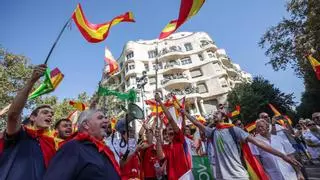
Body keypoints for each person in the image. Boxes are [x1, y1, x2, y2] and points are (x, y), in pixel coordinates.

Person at [184, 109, 301, 180]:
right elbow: (196, 123)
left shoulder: (234, 130)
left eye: (217, 113)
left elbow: (258, 143)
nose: (214, 115)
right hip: (221, 176)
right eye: (214, 114)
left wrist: (282, 155)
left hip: (238, 175)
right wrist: (185, 113)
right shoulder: (212, 132)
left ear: (224, 117)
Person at [0, 64, 58, 180]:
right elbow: (13, 115)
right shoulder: (20, 133)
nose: (50, 116)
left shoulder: (51, 144)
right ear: (32, 117)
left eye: (51, 114)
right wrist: (32, 81)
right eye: (45, 112)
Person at [44, 109, 121, 180]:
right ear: (86, 125)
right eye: (100, 118)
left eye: (105, 118)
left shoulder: (104, 150)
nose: (106, 120)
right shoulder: (72, 147)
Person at [154, 93, 192, 180]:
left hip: (185, 177)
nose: (171, 128)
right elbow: (161, 156)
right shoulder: (165, 147)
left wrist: (160, 101)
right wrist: (158, 140)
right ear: (166, 132)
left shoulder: (179, 139)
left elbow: (170, 119)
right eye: (168, 128)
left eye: (172, 127)